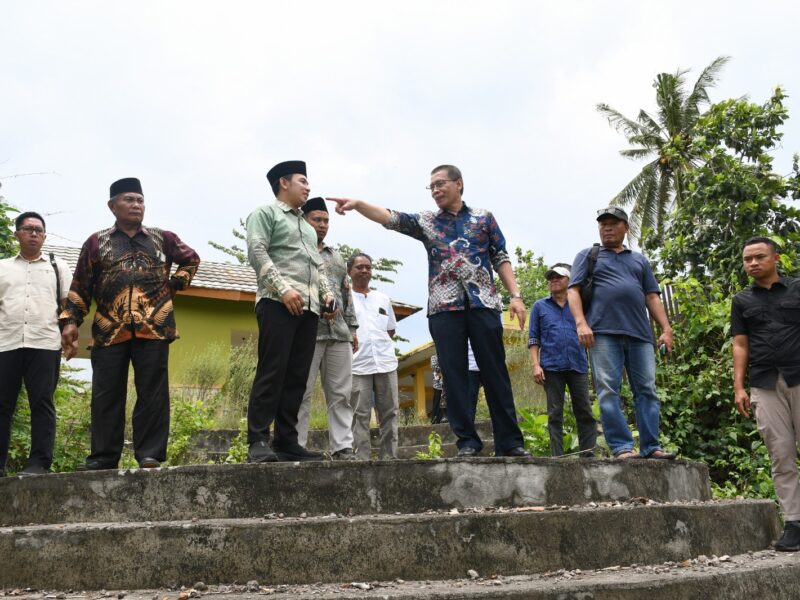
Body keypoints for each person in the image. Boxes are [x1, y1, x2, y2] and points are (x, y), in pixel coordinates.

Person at [329, 164, 529, 458]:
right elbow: (391, 218)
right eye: (431, 187)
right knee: (454, 376)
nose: (435, 190)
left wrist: (516, 296)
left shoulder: (483, 218)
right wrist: (358, 204)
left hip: (483, 304)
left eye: (440, 184)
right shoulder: (427, 221)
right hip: (444, 310)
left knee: (495, 372)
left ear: (458, 183)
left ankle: (510, 442)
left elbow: (501, 257)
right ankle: (467, 442)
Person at [60, 178, 200, 470]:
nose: (136, 205)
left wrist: (175, 284)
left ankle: (150, 454)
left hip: (154, 328)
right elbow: (81, 285)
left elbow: (191, 260)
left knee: (153, 393)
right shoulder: (97, 242)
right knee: (106, 394)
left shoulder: (163, 238)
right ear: (112, 206)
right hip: (109, 330)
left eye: (140, 200)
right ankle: (103, 457)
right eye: (129, 200)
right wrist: (71, 321)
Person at [568, 207, 674, 460]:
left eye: (613, 223)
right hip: (603, 333)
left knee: (647, 390)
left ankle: (651, 446)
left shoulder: (639, 260)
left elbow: (652, 296)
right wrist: (581, 324)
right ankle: (622, 447)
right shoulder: (588, 256)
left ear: (626, 227)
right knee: (608, 390)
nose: (607, 228)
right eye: (603, 224)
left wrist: (666, 329)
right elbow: (573, 290)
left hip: (640, 334)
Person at [245, 162, 335, 463]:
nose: (308, 187)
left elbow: (316, 265)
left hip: (309, 309)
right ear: (284, 183)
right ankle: (258, 440)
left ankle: (286, 441)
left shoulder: (307, 228)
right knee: (272, 371)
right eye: (303, 181)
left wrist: (327, 294)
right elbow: (257, 252)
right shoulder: (265, 213)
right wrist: (283, 289)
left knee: (297, 377)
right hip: (276, 302)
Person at [731, 236, 800, 552]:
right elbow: (740, 344)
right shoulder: (742, 300)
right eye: (748, 259)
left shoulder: (797, 289)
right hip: (765, 383)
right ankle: (794, 523)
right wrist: (739, 386)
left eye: (759, 257)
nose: (753, 263)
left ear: (776, 258)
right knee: (781, 454)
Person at [0, 212, 71, 477]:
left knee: (42, 403)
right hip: (5, 343)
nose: (34, 234)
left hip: (44, 343)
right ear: (16, 234)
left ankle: (39, 463)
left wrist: (70, 331)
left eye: (39, 230)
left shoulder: (57, 266)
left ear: (44, 236)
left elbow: (67, 305)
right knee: (1, 406)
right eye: (28, 229)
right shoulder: (3, 267)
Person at [296, 197, 359, 460]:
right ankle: (296, 445)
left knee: (341, 394)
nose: (322, 225)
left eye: (326, 220)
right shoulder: (295, 249)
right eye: (317, 220)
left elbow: (346, 293)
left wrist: (352, 328)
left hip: (339, 333)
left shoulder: (336, 256)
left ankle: (342, 447)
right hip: (307, 331)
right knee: (301, 392)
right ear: (304, 221)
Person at [529, 264, 596, 457]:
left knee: (585, 411)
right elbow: (533, 339)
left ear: (569, 281)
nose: (554, 280)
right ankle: (557, 458)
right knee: (554, 414)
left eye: (558, 277)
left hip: (578, 364)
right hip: (551, 367)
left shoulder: (580, 305)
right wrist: (536, 365)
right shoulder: (539, 306)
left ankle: (588, 455)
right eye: (551, 278)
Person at [348, 253, 399, 460]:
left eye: (368, 267)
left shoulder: (382, 298)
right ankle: (361, 460)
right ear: (349, 271)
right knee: (359, 414)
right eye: (359, 267)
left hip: (386, 362)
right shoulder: (345, 297)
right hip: (357, 364)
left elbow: (390, 329)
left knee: (390, 412)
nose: (364, 270)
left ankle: (390, 458)